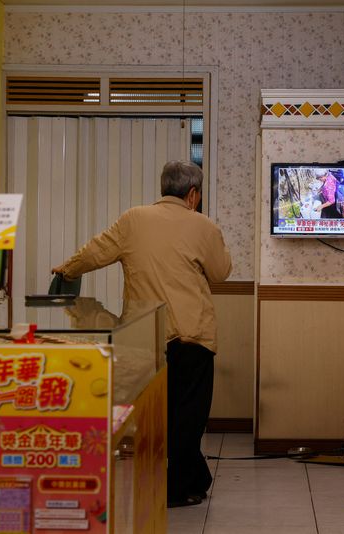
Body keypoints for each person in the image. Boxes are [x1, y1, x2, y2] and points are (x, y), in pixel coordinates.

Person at [52, 161, 232, 508]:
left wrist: (66, 268)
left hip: (146, 335)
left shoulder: (133, 219)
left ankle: (193, 479)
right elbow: (221, 272)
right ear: (193, 194)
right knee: (188, 415)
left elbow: (95, 251)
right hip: (193, 335)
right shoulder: (204, 226)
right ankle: (177, 489)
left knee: (155, 414)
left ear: (164, 187)